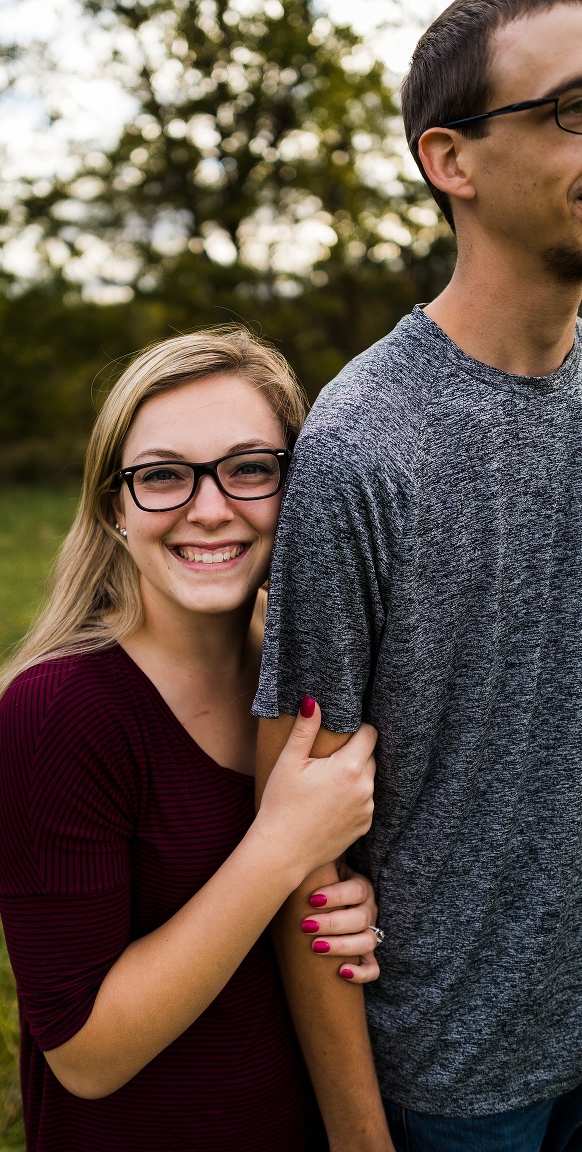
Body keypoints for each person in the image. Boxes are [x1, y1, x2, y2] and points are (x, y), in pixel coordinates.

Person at [253, 1, 582, 1149]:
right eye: (575, 110)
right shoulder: (362, 446)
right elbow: (300, 838)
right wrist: (360, 1137)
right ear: (451, 161)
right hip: (458, 1080)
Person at [0, 327, 384, 1152]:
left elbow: (315, 917)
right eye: (162, 476)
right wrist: (279, 850)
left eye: (249, 469)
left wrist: (352, 914)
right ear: (114, 506)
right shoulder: (58, 713)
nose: (208, 507)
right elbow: (84, 1054)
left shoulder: (314, 679)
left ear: (297, 490)